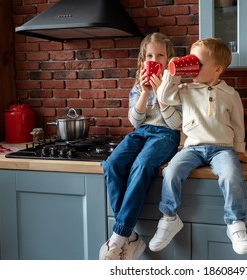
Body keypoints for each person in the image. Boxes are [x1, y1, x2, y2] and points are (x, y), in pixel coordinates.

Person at [149, 38, 247, 255]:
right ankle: (169, 218)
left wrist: (240, 149)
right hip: (191, 148)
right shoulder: (185, 89)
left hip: (222, 148)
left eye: (198, 62)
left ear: (217, 69)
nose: (193, 65)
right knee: (171, 172)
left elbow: (238, 123)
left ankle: (235, 223)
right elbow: (164, 96)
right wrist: (174, 70)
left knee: (232, 175)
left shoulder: (230, 94)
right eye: (191, 60)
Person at [99, 33, 182, 260]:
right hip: (141, 132)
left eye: (160, 55)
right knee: (111, 164)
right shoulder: (139, 83)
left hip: (165, 135)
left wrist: (160, 94)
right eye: (150, 55)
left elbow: (177, 124)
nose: (155, 59)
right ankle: (131, 236)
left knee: (142, 164)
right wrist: (145, 91)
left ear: (168, 58)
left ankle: (118, 236)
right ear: (143, 59)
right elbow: (135, 121)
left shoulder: (176, 83)